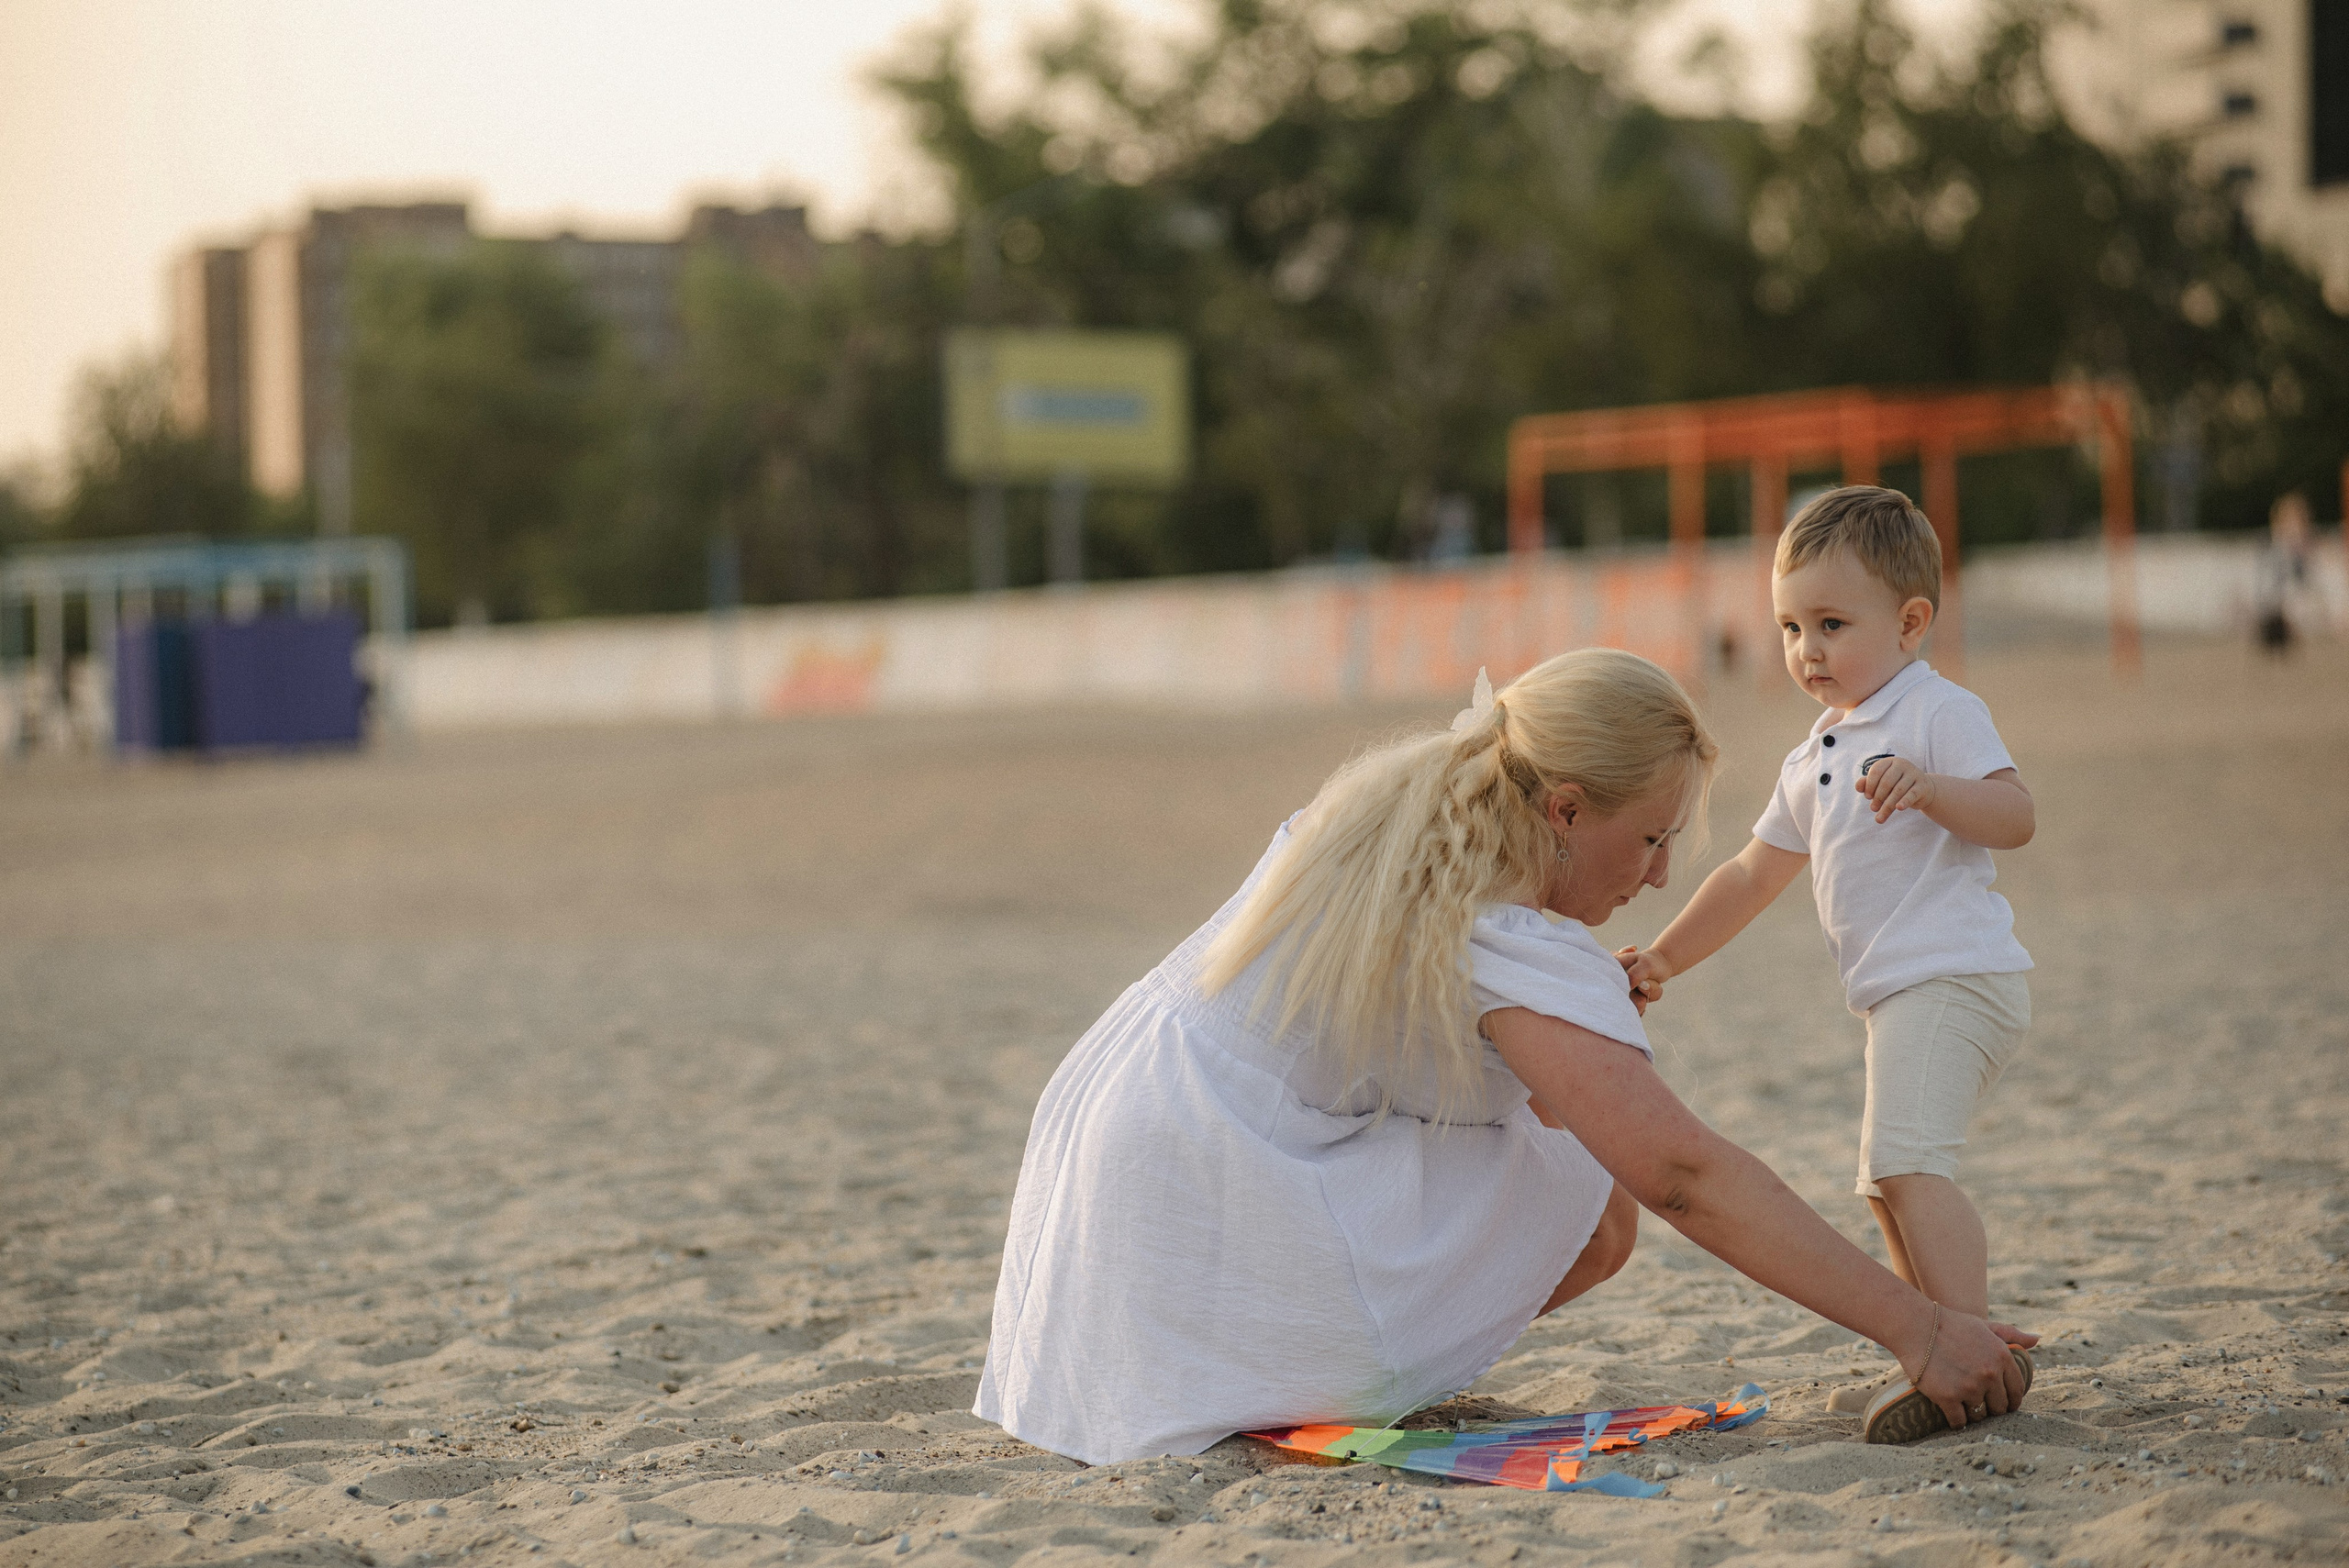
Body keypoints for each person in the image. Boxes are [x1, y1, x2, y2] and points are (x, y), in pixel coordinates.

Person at [976, 644, 2034, 1465]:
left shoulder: (1385, 824)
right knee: (1604, 1163)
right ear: (1564, 810)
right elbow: (1681, 1173)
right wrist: (1919, 1329)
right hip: (1205, 1199)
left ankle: (1315, 1363)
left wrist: (1583, 1043)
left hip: (1113, 1175)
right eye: (1654, 837)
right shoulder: (1508, 932)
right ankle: (1317, 1368)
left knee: (1582, 1163)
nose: (1660, 875)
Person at [1622, 485, 2036, 1443]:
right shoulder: (1813, 752)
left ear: (1911, 621)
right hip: (1894, 995)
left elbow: (2016, 816)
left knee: (1906, 1161)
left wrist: (1934, 791)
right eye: (1788, 625)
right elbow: (1750, 872)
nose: (1806, 648)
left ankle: (1964, 1350)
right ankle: (1944, 1341)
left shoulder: (1936, 709)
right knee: (1882, 1180)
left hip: (1958, 976)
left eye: (1831, 623)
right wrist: (1665, 958)